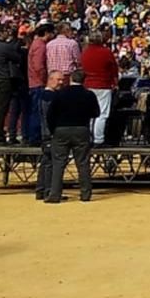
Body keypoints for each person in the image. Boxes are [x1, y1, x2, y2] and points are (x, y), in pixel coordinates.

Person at [46, 70, 100, 203]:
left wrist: (53, 130)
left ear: (70, 79)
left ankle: (55, 194)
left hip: (61, 130)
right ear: (84, 80)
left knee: (58, 163)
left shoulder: (60, 94)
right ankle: (85, 194)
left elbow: (50, 114)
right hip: (81, 129)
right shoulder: (89, 94)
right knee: (83, 163)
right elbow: (96, 113)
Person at [80, 31, 117, 145]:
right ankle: (99, 139)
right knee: (102, 113)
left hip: (88, 85)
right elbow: (113, 69)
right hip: (103, 85)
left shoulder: (85, 52)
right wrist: (115, 83)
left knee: (89, 113)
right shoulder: (106, 52)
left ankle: (88, 138)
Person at [33, 70, 65, 200]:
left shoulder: (43, 95)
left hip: (45, 133)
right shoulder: (49, 97)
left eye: (62, 80)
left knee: (46, 162)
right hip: (50, 134)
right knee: (50, 163)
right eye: (58, 80)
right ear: (50, 79)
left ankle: (41, 190)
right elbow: (49, 117)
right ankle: (48, 191)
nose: (61, 82)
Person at [25, 23, 55, 144]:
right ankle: (35, 137)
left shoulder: (35, 44)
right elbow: (38, 66)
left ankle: (33, 136)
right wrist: (44, 79)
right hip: (38, 82)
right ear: (47, 33)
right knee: (38, 111)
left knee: (35, 111)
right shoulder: (40, 46)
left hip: (34, 81)